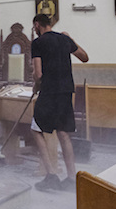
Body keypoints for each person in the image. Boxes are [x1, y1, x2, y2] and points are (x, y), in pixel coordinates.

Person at [30, 14, 88, 192]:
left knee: (36, 129)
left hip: (48, 91)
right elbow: (85, 57)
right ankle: (71, 178)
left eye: (34, 28)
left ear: (37, 25)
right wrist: (70, 39)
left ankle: (51, 175)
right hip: (65, 92)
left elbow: (38, 74)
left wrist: (35, 87)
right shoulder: (64, 39)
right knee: (63, 133)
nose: (35, 31)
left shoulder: (38, 43)